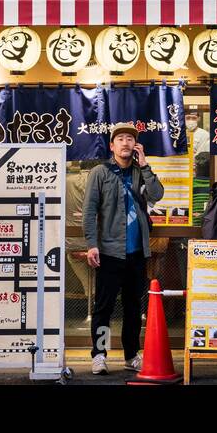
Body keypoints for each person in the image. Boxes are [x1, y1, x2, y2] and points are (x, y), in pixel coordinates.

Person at [83, 122, 165, 375]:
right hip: (108, 251)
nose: (126, 143)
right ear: (112, 145)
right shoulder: (100, 172)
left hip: (137, 252)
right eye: (121, 139)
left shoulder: (141, 172)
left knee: (133, 308)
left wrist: (146, 165)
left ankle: (131, 354)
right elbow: (89, 211)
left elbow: (157, 194)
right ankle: (99, 355)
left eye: (130, 139)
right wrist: (91, 245)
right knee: (103, 308)